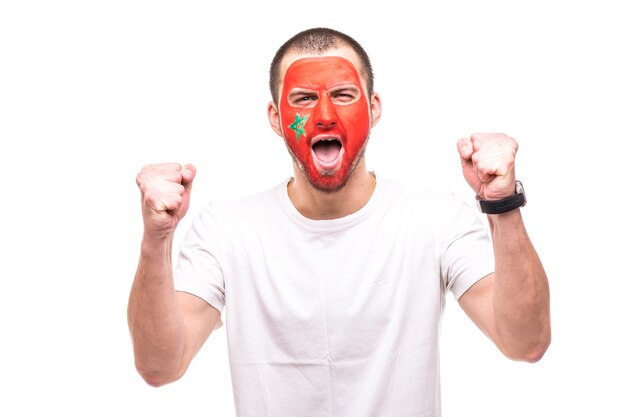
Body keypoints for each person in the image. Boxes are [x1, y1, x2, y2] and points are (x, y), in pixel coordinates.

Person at [128, 27, 551, 416]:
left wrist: (503, 205)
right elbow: (159, 366)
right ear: (276, 118)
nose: (325, 116)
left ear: (374, 108)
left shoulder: (434, 220)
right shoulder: (226, 230)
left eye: (344, 95)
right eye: (304, 99)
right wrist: (156, 238)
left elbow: (526, 342)